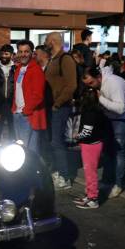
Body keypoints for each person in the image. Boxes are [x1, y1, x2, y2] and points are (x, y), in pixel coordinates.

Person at [82, 66, 125, 198]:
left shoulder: (114, 82)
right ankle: (107, 180)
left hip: (124, 119)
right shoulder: (98, 84)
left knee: (118, 151)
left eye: (91, 83)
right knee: (107, 151)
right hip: (110, 117)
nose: (90, 87)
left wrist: (100, 99)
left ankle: (117, 184)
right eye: (87, 85)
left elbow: (120, 108)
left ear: (99, 77)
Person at [45, 32, 78, 190]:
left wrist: (57, 103)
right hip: (53, 107)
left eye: (46, 40)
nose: (45, 43)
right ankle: (58, 172)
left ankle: (65, 177)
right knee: (53, 141)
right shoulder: (54, 59)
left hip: (60, 107)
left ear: (52, 41)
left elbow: (71, 85)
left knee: (57, 142)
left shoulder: (66, 59)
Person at [7, 40, 46, 152]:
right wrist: (15, 109)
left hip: (29, 115)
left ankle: (32, 170)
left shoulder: (36, 70)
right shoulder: (19, 69)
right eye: (20, 51)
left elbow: (38, 95)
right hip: (18, 113)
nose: (23, 54)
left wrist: (26, 110)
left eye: (26, 51)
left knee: (29, 151)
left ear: (31, 53)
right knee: (21, 149)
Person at [74, 87, 109, 209]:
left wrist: (77, 136)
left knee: (90, 172)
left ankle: (93, 198)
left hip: (90, 145)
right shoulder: (98, 110)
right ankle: (89, 194)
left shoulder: (89, 112)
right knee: (89, 171)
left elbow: (87, 131)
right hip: (94, 143)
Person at [0, 44, 16, 143]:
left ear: (11, 55)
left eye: (6, 54)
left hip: (12, 103)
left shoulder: (16, 68)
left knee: (13, 130)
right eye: (2, 54)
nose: (4, 56)